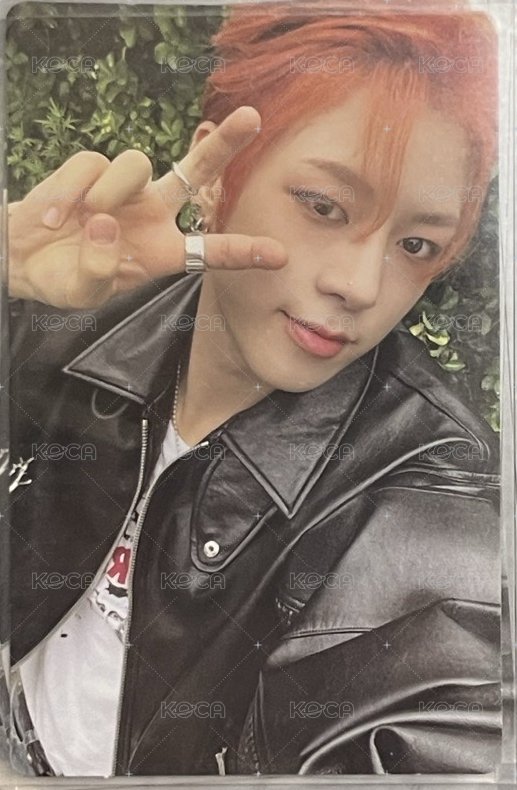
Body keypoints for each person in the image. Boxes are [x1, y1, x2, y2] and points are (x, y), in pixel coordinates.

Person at [4, 0, 501, 777]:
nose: (359, 285)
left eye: (414, 244)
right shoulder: (80, 309)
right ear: (217, 177)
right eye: (323, 206)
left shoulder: (431, 494)